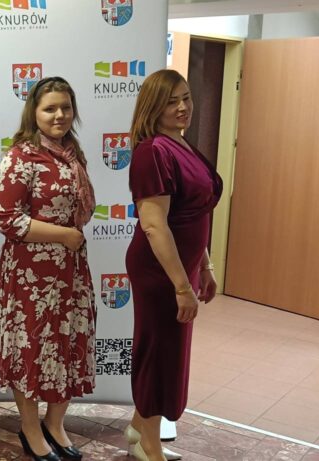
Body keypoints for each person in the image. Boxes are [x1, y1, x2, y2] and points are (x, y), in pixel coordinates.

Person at [0, 76, 96, 461]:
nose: (59, 115)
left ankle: (55, 423)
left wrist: (69, 238)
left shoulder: (73, 153)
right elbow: (7, 219)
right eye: (50, 108)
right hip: (31, 274)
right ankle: (30, 428)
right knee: (30, 349)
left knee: (67, 346)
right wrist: (64, 235)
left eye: (66, 107)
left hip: (70, 270)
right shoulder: (21, 156)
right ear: (33, 112)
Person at [125, 69, 222, 461]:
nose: (183, 107)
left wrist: (205, 266)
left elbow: (194, 214)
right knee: (160, 353)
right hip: (160, 271)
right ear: (154, 106)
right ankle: (148, 443)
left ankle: (138, 426)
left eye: (186, 97)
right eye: (171, 101)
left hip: (182, 267)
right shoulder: (153, 151)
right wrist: (181, 286)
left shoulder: (180, 143)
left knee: (170, 350)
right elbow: (154, 225)